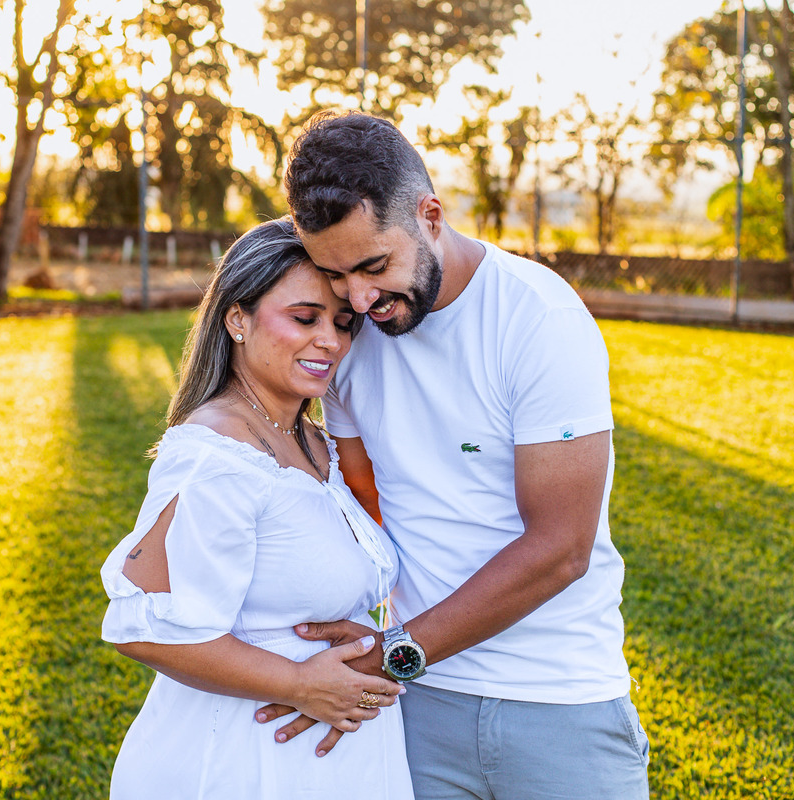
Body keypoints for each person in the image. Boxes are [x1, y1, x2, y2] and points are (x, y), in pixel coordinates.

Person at [256, 112, 650, 799]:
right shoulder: (349, 341)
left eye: (374, 266)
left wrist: (396, 651)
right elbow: (364, 503)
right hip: (415, 703)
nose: (359, 300)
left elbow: (561, 548)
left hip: (559, 700)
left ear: (431, 216)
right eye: (336, 275)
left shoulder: (538, 319)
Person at [99, 218, 413, 799]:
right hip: (244, 763)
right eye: (305, 318)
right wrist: (297, 682)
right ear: (237, 319)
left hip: (334, 764)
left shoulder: (315, 441)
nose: (330, 341)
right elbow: (141, 629)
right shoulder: (215, 454)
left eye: (343, 324)